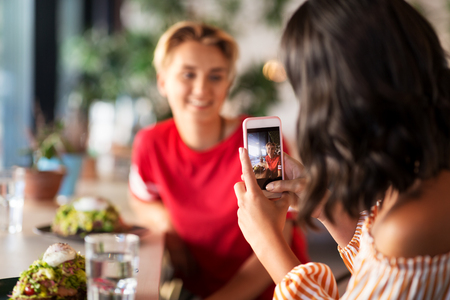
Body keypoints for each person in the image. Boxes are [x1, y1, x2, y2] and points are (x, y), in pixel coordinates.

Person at [235, 0, 450, 299]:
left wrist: (268, 243)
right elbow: (377, 278)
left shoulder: (409, 225)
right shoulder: (422, 165)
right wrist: (329, 210)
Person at [128, 21, 309, 300]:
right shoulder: (150, 144)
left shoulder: (260, 143)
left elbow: (279, 237)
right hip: (198, 291)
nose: (201, 89)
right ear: (162, 81)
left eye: (215, 76)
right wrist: (168, 227)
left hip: (274, 293)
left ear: (228, 84)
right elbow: (141, 197)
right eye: (188, 74)